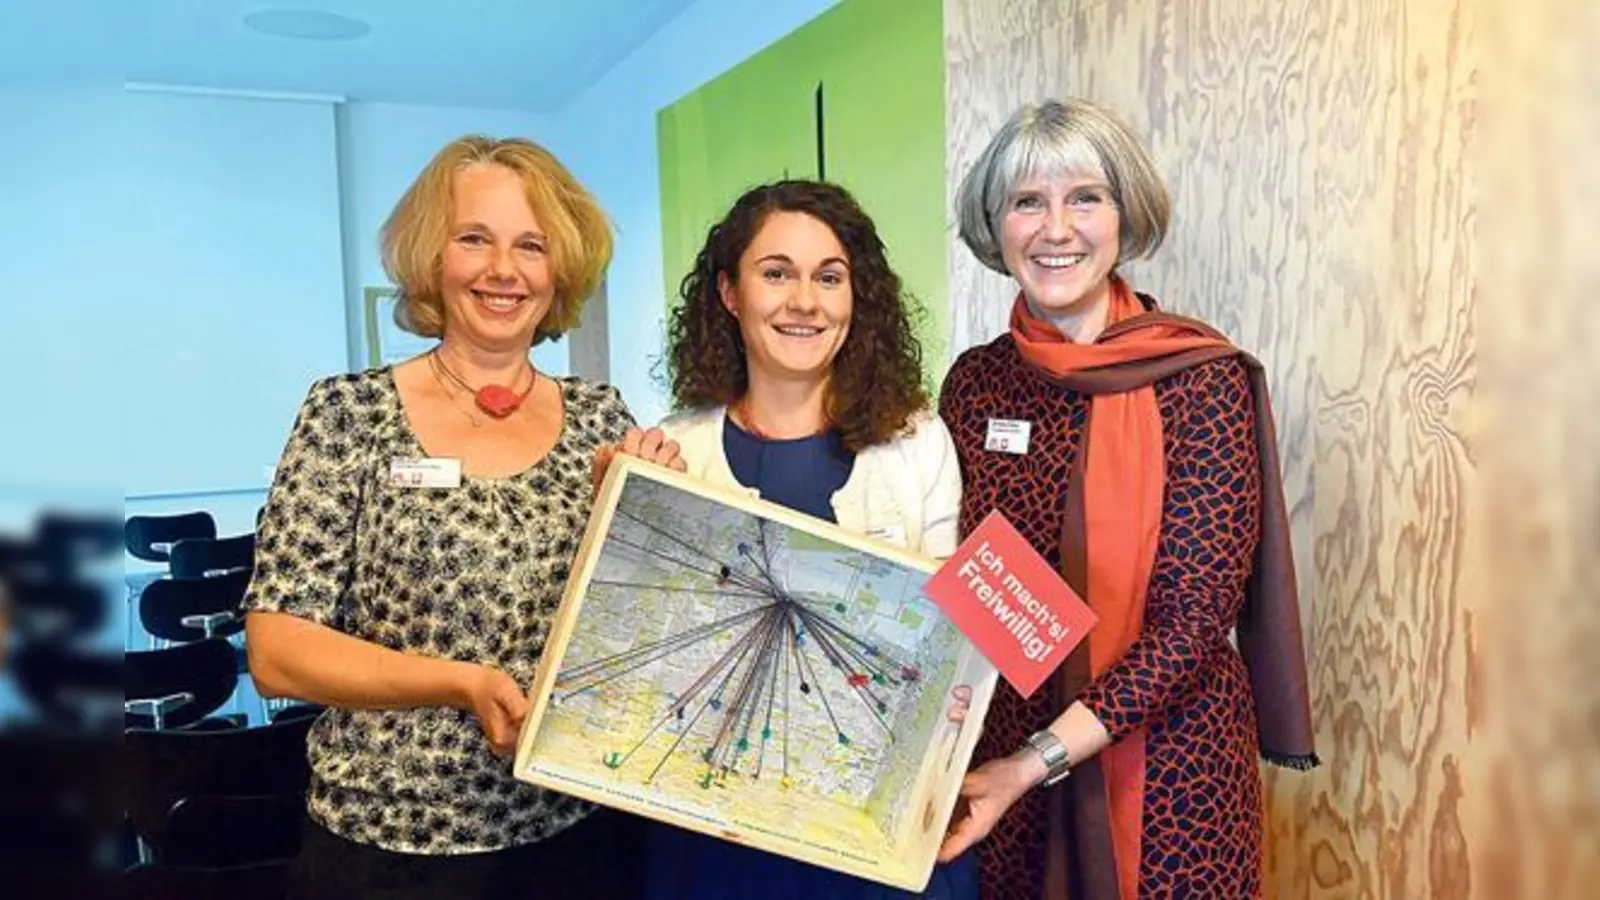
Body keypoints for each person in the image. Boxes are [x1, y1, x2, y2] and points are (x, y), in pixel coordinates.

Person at [243, 135, 680, 900]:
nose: (503, 269)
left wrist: (644, 518)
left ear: (559, 270)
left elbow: (636, 629)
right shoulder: (349, 413)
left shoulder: (599, 418)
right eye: (474, 238)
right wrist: (459, 683)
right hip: (390, 846)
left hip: (574, 836)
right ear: (432, 259)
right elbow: (278, 650)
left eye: (531, 245)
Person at [934, 98, 1318, 898]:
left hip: (1170, 772)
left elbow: (1193, 626)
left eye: (1085, 198)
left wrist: (1031, 763)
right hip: (1000, 762)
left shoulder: (1200, 380)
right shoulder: (974, 383)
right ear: (995, 224)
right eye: (1027, 202)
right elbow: (950, 566)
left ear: (1124, 214)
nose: (1055, 228)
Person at [640, 179, 975, 899]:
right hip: (716, 835)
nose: (805, 301)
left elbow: (955, 632)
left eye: (830, 277)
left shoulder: (917, 442)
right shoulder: (672, 453)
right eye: (776, 273)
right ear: (729, 293)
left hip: (875, 833)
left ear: (859, 298)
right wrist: (632, 513)